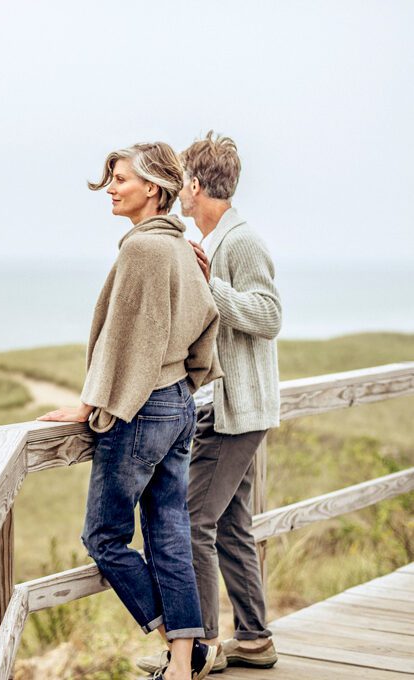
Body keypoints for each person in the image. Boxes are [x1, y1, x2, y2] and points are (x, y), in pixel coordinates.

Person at [38, 142, 221, 680]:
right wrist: (185, 378)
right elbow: (206, 318)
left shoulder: (143, 250)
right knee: (169, 532)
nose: (112, 189)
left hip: (141, 410)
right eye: (112, 179)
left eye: (122, 179)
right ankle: (184, 663)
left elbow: (122, 341)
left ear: (154, 189)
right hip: (179, 403)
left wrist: (89, 405)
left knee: (104, 537)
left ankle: (173, 643)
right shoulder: (180, 246)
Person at [137, 132, 282, 676]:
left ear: (196, 186)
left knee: (194, 520)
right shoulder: (214, 240)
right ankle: (255, 638)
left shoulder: (240, 242)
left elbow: (268, 316)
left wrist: (209, 283)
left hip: (235, 412)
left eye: (183, 182)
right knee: (231, 524)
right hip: (225, 407)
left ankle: (204, 647)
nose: (179, 191)